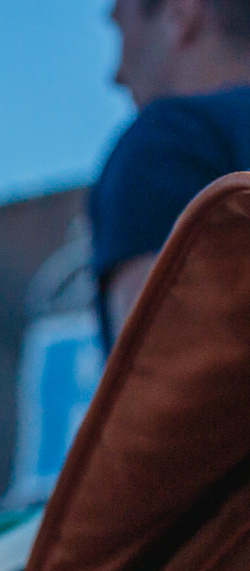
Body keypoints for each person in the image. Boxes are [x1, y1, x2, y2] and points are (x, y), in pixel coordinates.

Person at [94, 0, 250, 342]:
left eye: (122, 28)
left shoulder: (167, 139)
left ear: (180, 13)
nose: (116, 75)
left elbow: (164, 360)